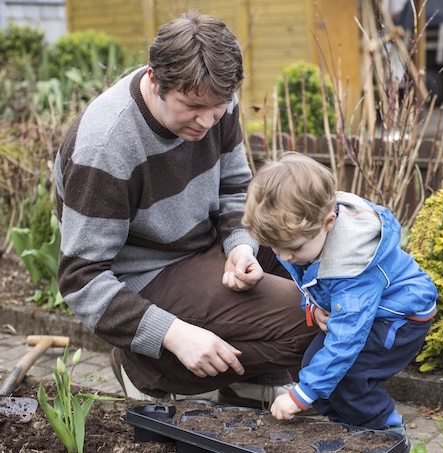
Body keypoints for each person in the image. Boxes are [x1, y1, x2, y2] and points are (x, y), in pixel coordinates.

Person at [53, 11, 316, 403]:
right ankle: (147, 368)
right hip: (148, 273)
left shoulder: (213, 96)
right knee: (311, 320)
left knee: (332, 277)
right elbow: (82, 278)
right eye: (193, 106)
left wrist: (241, 246)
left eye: (219, 106)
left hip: (205, 248)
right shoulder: (105, 146)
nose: (208, 121)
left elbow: (234, 185)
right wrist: (173, 334)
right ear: (155, 80)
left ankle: (246, 380)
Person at [242, 152, 437, 441]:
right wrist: (314, 304)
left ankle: (387, 433)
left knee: (350, 378)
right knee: (312, 365)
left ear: (328, 223)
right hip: (363, 309)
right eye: (274, 247)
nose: (284, 257)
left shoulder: (352, 267)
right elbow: (313, 279)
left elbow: (347, 340)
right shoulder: (304, 237)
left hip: (400, 318)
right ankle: (346, 427)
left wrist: (300, 396)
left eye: (292, 249)